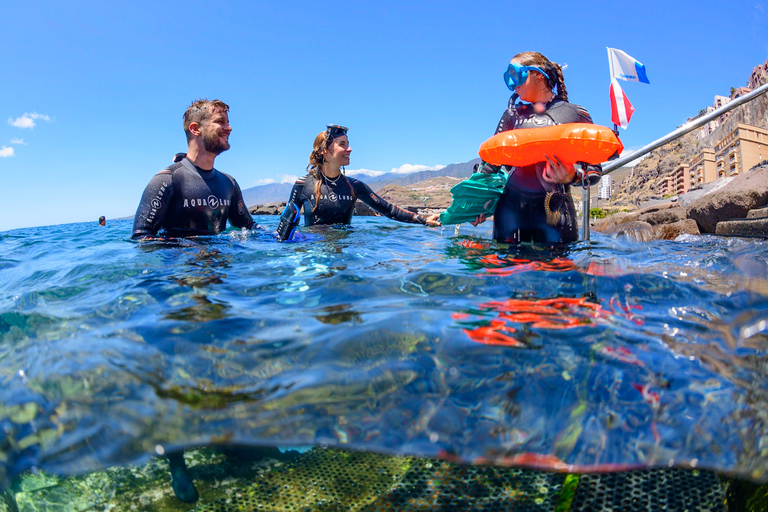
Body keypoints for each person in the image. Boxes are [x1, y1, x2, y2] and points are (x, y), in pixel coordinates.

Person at [473, 52, 601, 244]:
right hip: (509, 213)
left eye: (515, 74)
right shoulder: (511, 115)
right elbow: (489, 167)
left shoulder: (575, 114)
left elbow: (594, 170)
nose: (512, 83)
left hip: (555, 215)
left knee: (557, 272)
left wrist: (572, 176)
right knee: (506, 271)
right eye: (508, 77)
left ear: (539, 74)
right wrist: (475, 203)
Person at [277, 125, 439, 240]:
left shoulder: (354, 186)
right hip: (312, 251)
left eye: (348, 144)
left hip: (346, 253)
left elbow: (389, 210)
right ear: (325, 151)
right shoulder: (303, 185)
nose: (350, 149)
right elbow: (285, 228)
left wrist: (422, 219)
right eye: (342, 144)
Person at [131, 99, 257, 239]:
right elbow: (141, 237)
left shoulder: (229, 183)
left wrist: (275, 234)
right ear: (195, 129)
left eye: (227, 122)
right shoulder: (167, 180)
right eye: (220, 121)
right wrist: (188, 250)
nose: (229, 128)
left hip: (221, 260)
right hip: (182, 261)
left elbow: (248, 227)